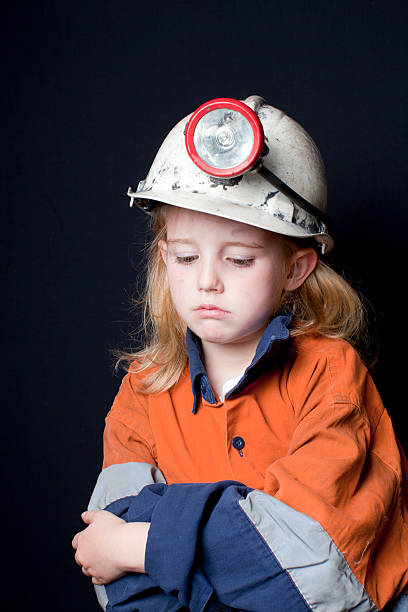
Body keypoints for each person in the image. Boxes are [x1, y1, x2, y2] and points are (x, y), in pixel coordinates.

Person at [72, 96, 408, 612]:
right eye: (186, 256)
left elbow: (310, 573)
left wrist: (145, 545)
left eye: (239, 259)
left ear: (294, 270)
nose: (207, 279)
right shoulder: (143, 389)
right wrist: (235, 538)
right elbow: (118, 582)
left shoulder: (331, 377)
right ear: (165, 258)